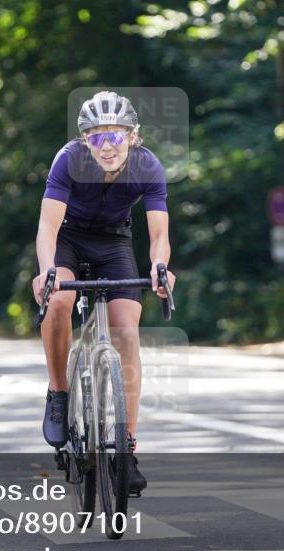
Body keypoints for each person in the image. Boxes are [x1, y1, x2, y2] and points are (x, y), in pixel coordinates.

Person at [32, 90, 176, 495]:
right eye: (97, 137)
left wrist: (159, 267)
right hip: (69, 240)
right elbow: (47, 228)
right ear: (84, 141)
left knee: (127, 331)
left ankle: (127, 450)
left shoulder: (147, 166)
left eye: (116, 135)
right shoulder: (68, 160)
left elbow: (159, 233)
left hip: (114, 242)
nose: (107, 145)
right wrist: (46, 271)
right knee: (58, 301)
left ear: (133, 136)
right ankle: (59, 392)